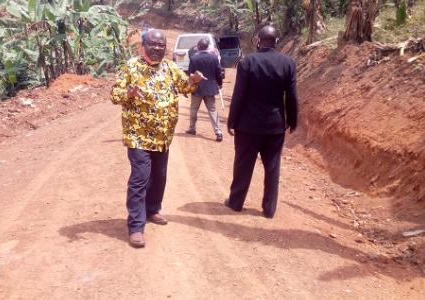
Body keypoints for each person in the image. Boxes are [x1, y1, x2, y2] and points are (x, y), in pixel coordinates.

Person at [111, 29, 205, 248]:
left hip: (163, 137)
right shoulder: (130, 68)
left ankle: (153, 209)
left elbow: (185, 88)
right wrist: (129, 94)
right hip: (138, 136)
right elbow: (114, 95)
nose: (157, 48)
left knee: (159, 176)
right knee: (140, 178)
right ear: (142, 46)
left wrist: (194, 81)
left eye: (161, 45)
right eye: (153, 44)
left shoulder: (170, 68)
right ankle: (135, 226)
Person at [224, 25, 298, 219]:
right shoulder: (288, 63)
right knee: (273, 167)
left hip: (248, 126)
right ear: (276, 42)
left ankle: (236, 202)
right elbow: (291, 96)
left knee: (243, 165)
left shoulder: (248, 62)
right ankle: (269, 208)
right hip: (275, 126)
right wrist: (292, 120)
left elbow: (239, 95)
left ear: (258, 41)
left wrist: (232, 121)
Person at [186, 38, 224, 142]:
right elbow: (218, 73)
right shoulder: (214, 58)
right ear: (207, 47)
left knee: (194, 108)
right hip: (210, 89)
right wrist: (220, 84)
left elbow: (190, 74)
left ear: (198, 47)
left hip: (197, 88)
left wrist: (189, 85)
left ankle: (192, 128)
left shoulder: (194, 58)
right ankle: (218, 131)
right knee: (212, 110)